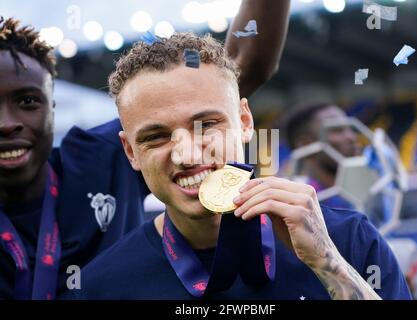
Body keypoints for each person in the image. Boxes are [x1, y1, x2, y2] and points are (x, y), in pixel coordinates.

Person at [65, 33, 411, 300]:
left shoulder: (349, 240)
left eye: (206, 125)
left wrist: (328, 265)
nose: (186, 153)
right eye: (156, 137)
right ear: (130, 151)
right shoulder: (101, 285)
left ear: (245, 121)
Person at [0, 0, 290, 299]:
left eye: (27, 102)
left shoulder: (100, 156)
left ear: (52, 108)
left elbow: (233, 71)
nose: (6, 124)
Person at [282, 104, 361, 209]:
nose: (351, 137)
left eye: (350, 129)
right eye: (337, 130)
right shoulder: (297, 204)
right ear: (306, 144)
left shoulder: (354, 195)